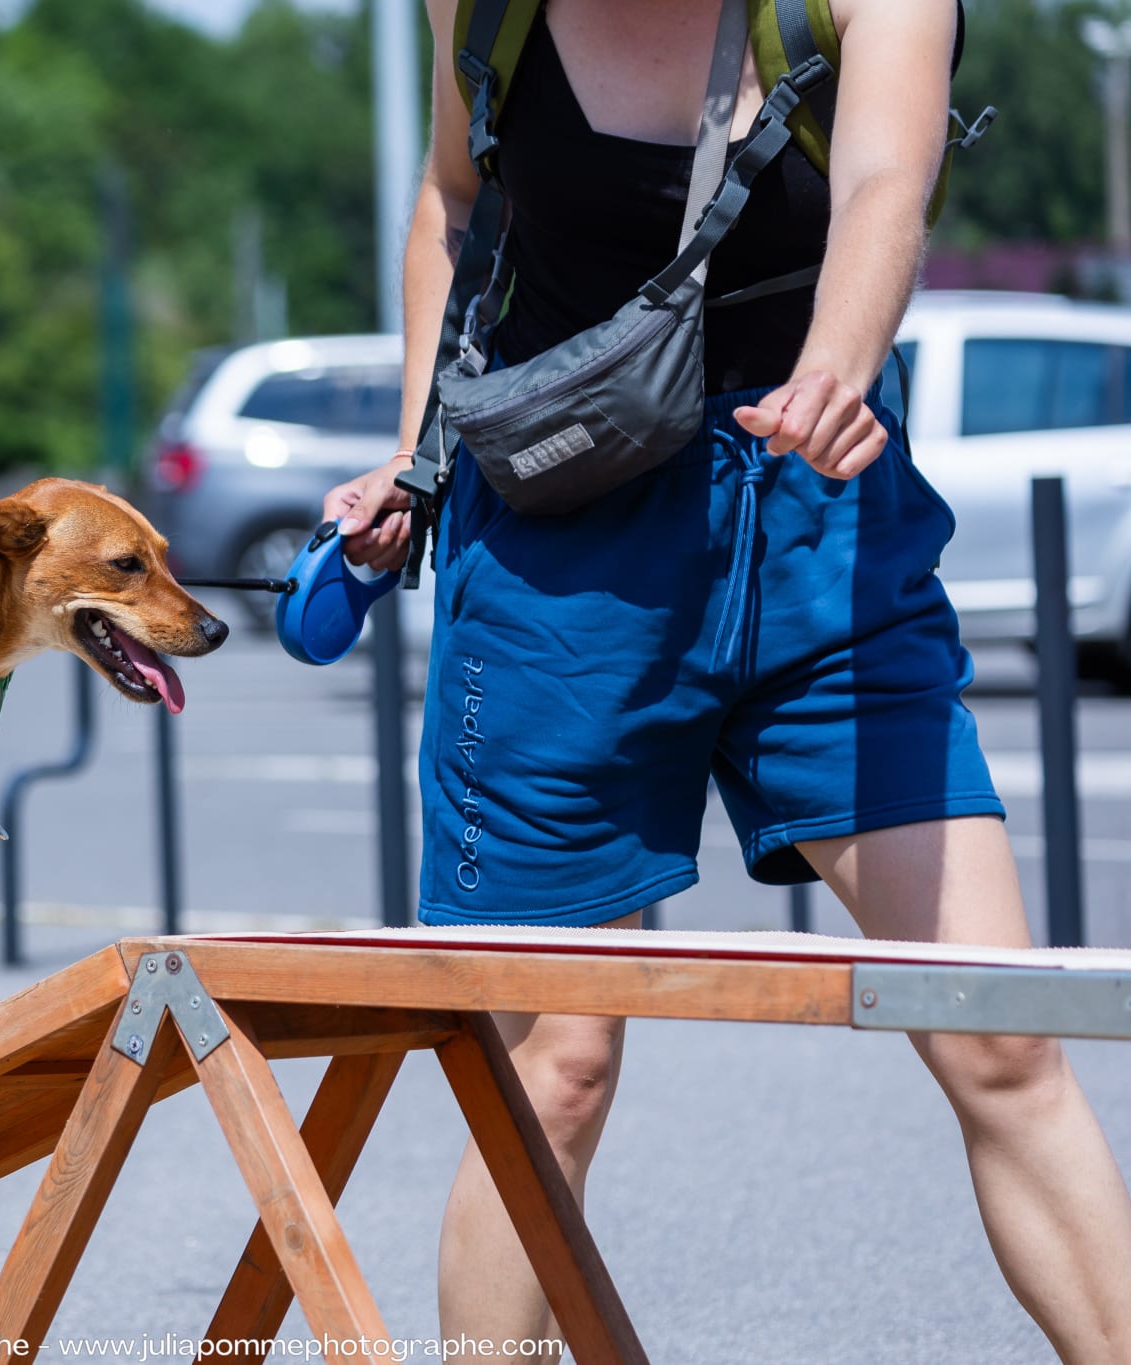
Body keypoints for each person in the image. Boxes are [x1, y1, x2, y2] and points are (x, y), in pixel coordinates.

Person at [321, 0, 1131, 1359]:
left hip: (825, 527)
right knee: (551, 1075)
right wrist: (415, 453)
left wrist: (837, 369)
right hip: (559, 567)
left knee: (1001, 1037)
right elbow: (451, 205)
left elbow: (884, 182)